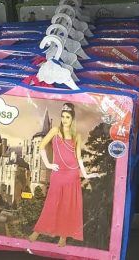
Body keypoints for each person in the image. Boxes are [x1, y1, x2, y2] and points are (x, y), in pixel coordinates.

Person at [30, 103, 97, 246]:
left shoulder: (77, 135)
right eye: (63, 117)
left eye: (67, 117)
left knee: (67, 205)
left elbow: (79, 157)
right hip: (58, 173)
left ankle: (63, 236)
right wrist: (48, 164)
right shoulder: (55, 130)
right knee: (52, 202)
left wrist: (86, 174)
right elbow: (41, 146)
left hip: (72, 174)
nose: (64, 119)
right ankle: (37, 231)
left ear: (72, 119)